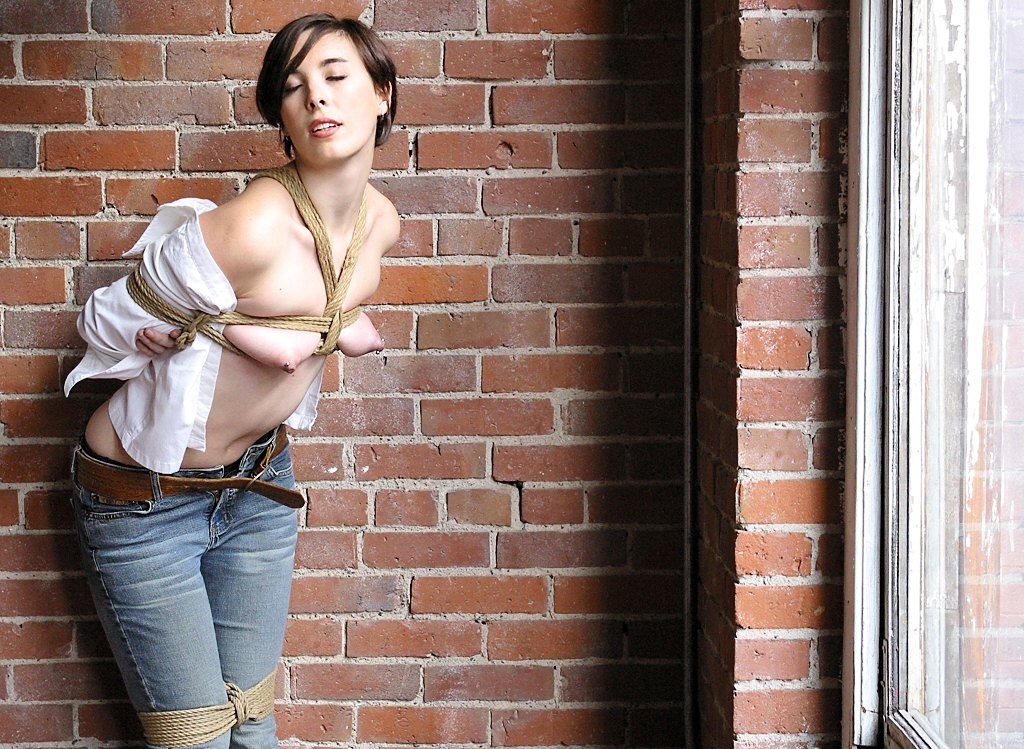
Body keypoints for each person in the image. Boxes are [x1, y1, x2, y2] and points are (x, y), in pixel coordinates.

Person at [64, 14, 399, 748]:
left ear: (381, 93)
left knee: (253, 722)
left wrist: (337, 327)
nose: (316, 97)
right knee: (200, 738)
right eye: (293, 87)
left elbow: (318, 302)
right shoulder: (251, 226)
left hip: (257, 486)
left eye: (335, 76)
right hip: (147, 499)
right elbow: (102, 319)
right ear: (281, 116)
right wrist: (160, 331)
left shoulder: (380, 223)